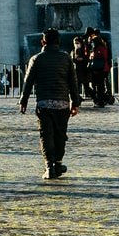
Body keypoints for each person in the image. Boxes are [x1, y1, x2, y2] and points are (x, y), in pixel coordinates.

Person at [20, 27, 82, 178]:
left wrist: (24, 100)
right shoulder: (66, 58)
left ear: (43, 41)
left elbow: (28, 82)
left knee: (46, 135)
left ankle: (49, 166)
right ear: (59, 42)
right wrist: (75, 102)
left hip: (44, 103)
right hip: (62, 103)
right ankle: (59, 163)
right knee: (60, 134)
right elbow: (73, 82)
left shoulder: (36, 58)